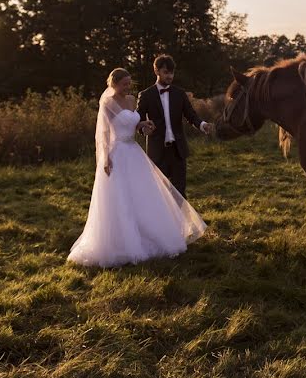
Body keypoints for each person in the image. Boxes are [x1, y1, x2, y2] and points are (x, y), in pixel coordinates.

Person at [67, 68, 206, 268]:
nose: (128, 87)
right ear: (114, 83)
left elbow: (132, 123)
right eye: (124, 83)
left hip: (134, 151)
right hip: (118, 153)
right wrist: (105, 159)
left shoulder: (132, 100)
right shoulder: (107, 103)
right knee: (121, 197)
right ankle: (123, 242)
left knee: (144, 194)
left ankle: (150, 233)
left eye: (129, 83)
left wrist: (143, 125)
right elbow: (105, 132)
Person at [136, 55, 213, 198]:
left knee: (180, 193)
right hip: (157, 152)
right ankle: (161, 220)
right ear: (156, 71)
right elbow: (138, 120)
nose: (170, 76)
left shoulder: (180, 94)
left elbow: (191, 115)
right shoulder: (146, 95)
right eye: (166, 72)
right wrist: (143, 129)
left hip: (178, 152)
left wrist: (203, 125)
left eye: (172, 73)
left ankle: (180, 221)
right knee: (159, 194)